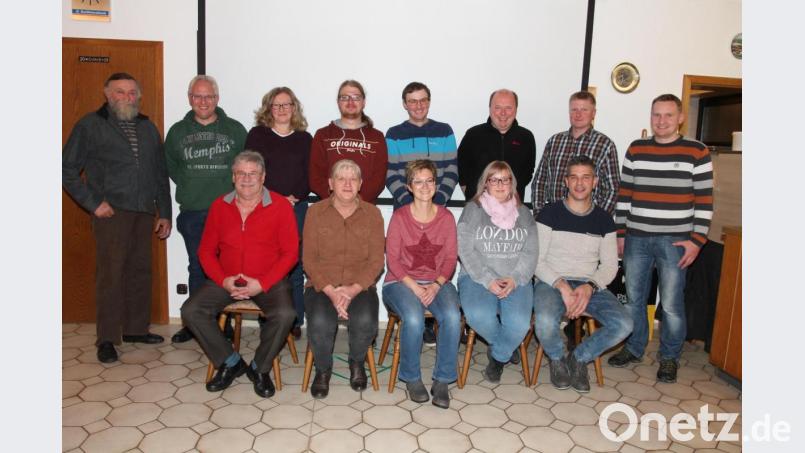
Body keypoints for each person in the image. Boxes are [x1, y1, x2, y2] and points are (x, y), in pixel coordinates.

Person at [63, 72, 172, 364]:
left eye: (132, 92)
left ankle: (136, 329)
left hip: (143, 211)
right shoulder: (90, 125)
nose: (127, 97)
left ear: (139, 96)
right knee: (111, 276)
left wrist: (165, 212)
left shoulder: (148, 127)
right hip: (111, 212)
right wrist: (93, 203)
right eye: (120, 92)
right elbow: (67, 170)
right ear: (107, 94)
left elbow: (160, 174)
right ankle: (107, 338)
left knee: (140, 272)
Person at [608, 94, 713, 384]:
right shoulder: (637, 149)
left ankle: (669, 358)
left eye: (668, 115)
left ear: (680, 117)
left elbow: (705, 201)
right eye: (656, 115)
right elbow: (625, 195)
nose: (661, 121)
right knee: (634, 300)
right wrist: (620, 234)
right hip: (637, 238)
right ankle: (634, 347)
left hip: (676, 241)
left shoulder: (697, 152)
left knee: (670, 304)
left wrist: (697, 241)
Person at [180, 151, 298, 397]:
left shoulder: (280, 206)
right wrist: (223, 280)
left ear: (263, 177)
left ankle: (259, 368)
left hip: (268, 279)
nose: (247, 179)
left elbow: (290, 254)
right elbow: (205, 251)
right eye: (241, 173)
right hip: (228, 277)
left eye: (253, 173)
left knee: (286, 314)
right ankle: (230, 363)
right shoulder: (219, 206)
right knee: (191, 311)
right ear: (233, 177)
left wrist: (262, 283)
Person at [533, 155, 632, 392]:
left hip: (590, 284)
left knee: (624, 324)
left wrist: (589, 287)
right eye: (574, 177)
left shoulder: (604, 220)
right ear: (565, 181)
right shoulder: (549, 214)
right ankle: (557, 359)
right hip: (551, 281)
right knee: (545, 321)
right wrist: (562, 285)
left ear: (595, 181)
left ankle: (577, 359)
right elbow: (537, 260)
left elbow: (610, 266)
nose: (579, 183)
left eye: (585, 177)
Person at [165, 74, 246, 344]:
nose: (203, 101)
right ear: (190, 99)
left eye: (208, 96)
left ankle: (224, 321)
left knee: (228, 268)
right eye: (198, 96)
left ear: (217, 98)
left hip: (230, 213)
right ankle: (194, 323)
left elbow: (247, 169)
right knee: (197, 267)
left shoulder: (235, 130)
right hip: (194, 213)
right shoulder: (177, 132)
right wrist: (193, 186)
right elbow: (174, 169)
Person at [303, 159, 385, 399]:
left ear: (360, 184)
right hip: (322, 285)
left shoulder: (373, 214)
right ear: (330, 183)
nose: (347, 184)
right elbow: (309, 259)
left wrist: (352, 290)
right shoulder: (315, 212)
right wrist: (331, 291)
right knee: (319, 322)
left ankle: (357, 362)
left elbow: (376, 261)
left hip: (359, 286)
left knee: (366, 321)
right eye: (341, 178)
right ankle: (323, 369)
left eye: (353, 179)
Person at [382, 160, 460, 408]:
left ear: (436, 185)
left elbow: (450, 259)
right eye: (418, 181)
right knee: (414, 317)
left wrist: (436, 285)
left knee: (452, 315)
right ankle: (412, 377)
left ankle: (442, 380)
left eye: (429, 181)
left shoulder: (447, 217)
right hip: (400, 282)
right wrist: (415, 288)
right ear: (409, 186)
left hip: (437, 281)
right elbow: (393, 260)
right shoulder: (399, 217)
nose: (424, 186)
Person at [385, 81, 458, 346]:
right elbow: (391, 173)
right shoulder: (394, 134)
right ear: (405, 104)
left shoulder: (444, 130)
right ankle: (415, 322)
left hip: (435, 211)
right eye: (412, 101)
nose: (418, 105)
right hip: (407, 211)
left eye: (423, 100)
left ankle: (430, 324)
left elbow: (451, 168)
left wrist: (433, 201)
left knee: (433, 262)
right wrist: (412, 202)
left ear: (429, 101)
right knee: (410, 263)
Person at [457, 161, 538, 384]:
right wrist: (487, 279)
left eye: (506, 179)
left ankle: (498, 356)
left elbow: (531, 252)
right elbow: (464, 248)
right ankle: (506, 346)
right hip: (477, 276)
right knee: (479, 315)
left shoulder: (524, 213)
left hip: (515, 278)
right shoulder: (473, 209)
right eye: (494, 179)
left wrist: (516, 278)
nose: (501, 184)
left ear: (513, 183)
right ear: (486, 184)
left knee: (520, 323)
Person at [245, 86, 313, 340]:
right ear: (268, 108)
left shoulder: (305, 139)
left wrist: (293, 198)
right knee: (266, 264)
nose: (282, 110)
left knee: (294, 264)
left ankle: (294, 319)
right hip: (263, 207)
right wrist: (274, 198)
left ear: (294, 108)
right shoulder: (257, 135)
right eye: (277, 105)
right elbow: (249, 170)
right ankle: (270, 318)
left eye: (287, 105)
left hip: (296, 208)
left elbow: (312, 175)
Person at [531, 91, 619, 217]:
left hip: (587, 220)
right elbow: (540, 180)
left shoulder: (605, 145)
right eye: (574, 110)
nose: (578, 114)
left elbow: (613, 189)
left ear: (593, 113)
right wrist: (540, 214)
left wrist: (598, 219)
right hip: (554, 218)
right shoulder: (555, 141)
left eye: (584, 109)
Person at [309, 80, 388, 204]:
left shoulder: (377, 137)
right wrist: (336, 201)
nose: (350, 102)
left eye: (356, 97)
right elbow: (315, 177)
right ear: (338, 102)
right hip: (329, 208)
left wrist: (356, 202)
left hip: (364, 210)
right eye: (345, 97)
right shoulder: (322, 135)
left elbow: (379, 179)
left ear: (363, 102)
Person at [457, 89, 536, 201]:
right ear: (490, 109)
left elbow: (528, 173)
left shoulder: (526, 137)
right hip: (478, 208)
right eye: (498, 107)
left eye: (508, 108)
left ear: (516, 109)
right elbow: (461, 171)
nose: (503, 113)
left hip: (512, 209)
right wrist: (473, 197)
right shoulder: (473, 135)